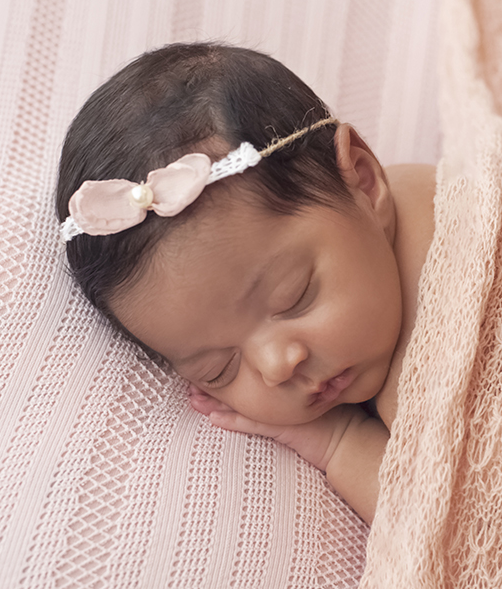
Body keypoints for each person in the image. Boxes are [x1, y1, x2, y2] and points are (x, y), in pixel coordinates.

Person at [55, 42, 436, 524]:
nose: (278, 366)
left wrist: (344, 447)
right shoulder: (365, 258)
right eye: (219, 370)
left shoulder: (450, 245)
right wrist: (334, 437)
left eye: (294, 296)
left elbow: (449, 525)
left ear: (362, 181)